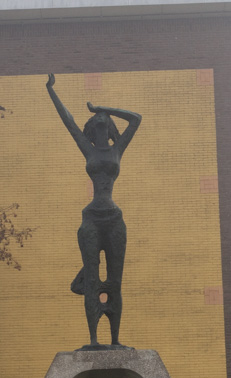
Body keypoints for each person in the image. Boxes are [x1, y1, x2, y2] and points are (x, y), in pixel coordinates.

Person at [46, 74, 141, 348]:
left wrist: (103, 107)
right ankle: (93, 340)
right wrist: (51, 90)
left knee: (114, 281)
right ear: (91, 126)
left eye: (104, 119)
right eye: (96, 118)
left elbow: (135, 119)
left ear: (109, 125)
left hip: (114, 219)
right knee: (92, 280)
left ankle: (114, 341)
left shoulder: (117, 150)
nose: (100, 120)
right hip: (91, 219)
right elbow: (68, 121)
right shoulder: (88, 150)